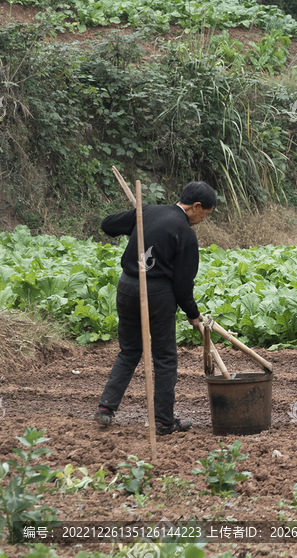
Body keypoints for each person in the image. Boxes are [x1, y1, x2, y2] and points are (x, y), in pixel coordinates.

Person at [93, 181, 216, 435]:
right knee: (165, 357)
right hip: (157, 294)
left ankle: (105, 409)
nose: (203, 219)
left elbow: (107, 225)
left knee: (129, 351)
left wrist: (140, 219)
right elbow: (183, 285)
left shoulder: (148, 211)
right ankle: (163, 422)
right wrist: (193, 313)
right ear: (196, 207)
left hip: (127, 287)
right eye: (206, 214)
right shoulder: (185, 233)